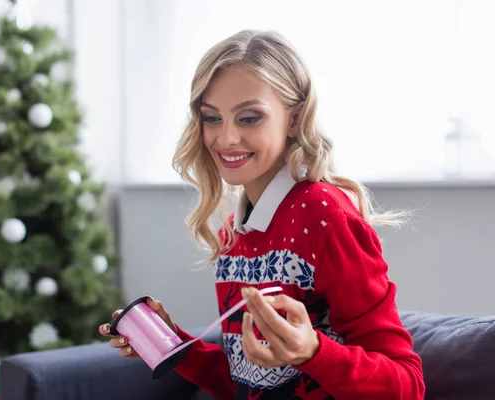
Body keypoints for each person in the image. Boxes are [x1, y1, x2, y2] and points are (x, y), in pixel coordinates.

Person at [100, 30, 425, 400]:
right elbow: (248, 385)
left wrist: (314, 353)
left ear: (294, 117)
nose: (225, 139)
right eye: (211, 118)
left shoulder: (325, 214)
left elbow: (407, 386)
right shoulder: (232, 233)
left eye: (249, 118)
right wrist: (173, 345)